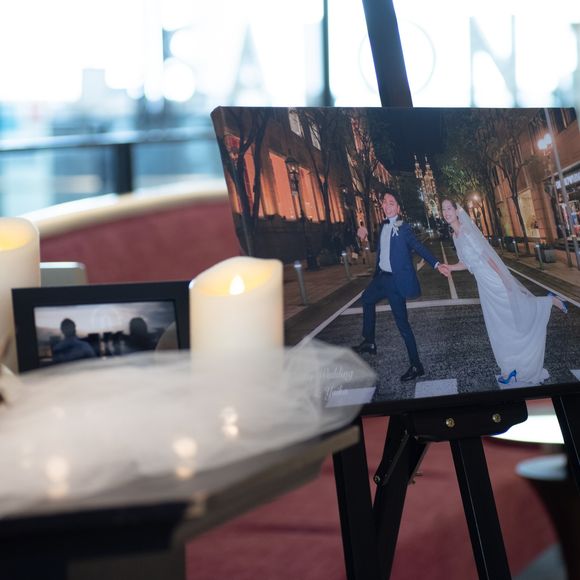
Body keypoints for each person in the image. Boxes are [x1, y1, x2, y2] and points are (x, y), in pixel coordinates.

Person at [439, 199, 567, 385]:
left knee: (517, 310)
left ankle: (549, 301)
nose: (446, 212)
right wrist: (450, 267)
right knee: (499, 326)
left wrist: (504, 279)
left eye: (449, 208)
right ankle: (510, 367)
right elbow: (466, 263)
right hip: (483, 285)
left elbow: (487, 257)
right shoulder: (455, 236)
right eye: (443, 209)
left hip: (493, 279)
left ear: (457, 211)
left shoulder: (466, 232)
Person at [353, 193, 448, 381]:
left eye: (391, 203)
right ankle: (369, 341)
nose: (387, 206)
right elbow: (381, 248)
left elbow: (418, 246)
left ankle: (416, 365)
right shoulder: (383, 226)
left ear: (397, 208)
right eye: (385, 203)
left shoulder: (403, 227)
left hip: (396, 282)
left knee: (402, 325)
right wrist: (363, 237)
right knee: (366, 299)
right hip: (381, 278)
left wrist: (437, 264)